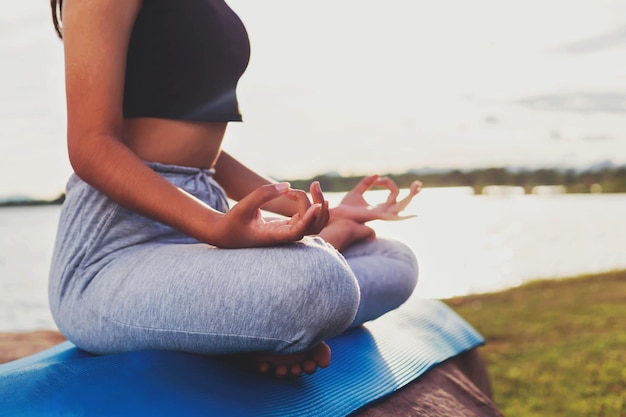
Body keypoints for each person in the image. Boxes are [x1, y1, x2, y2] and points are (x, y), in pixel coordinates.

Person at [47, 0, 428, 379]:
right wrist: (214, 226)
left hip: (202, 213)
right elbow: (91, 146)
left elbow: (204, 154)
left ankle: (252, 328)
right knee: (322, 281)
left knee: (394, 261)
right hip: (112, 256)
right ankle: (264, 319)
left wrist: (306, 209)